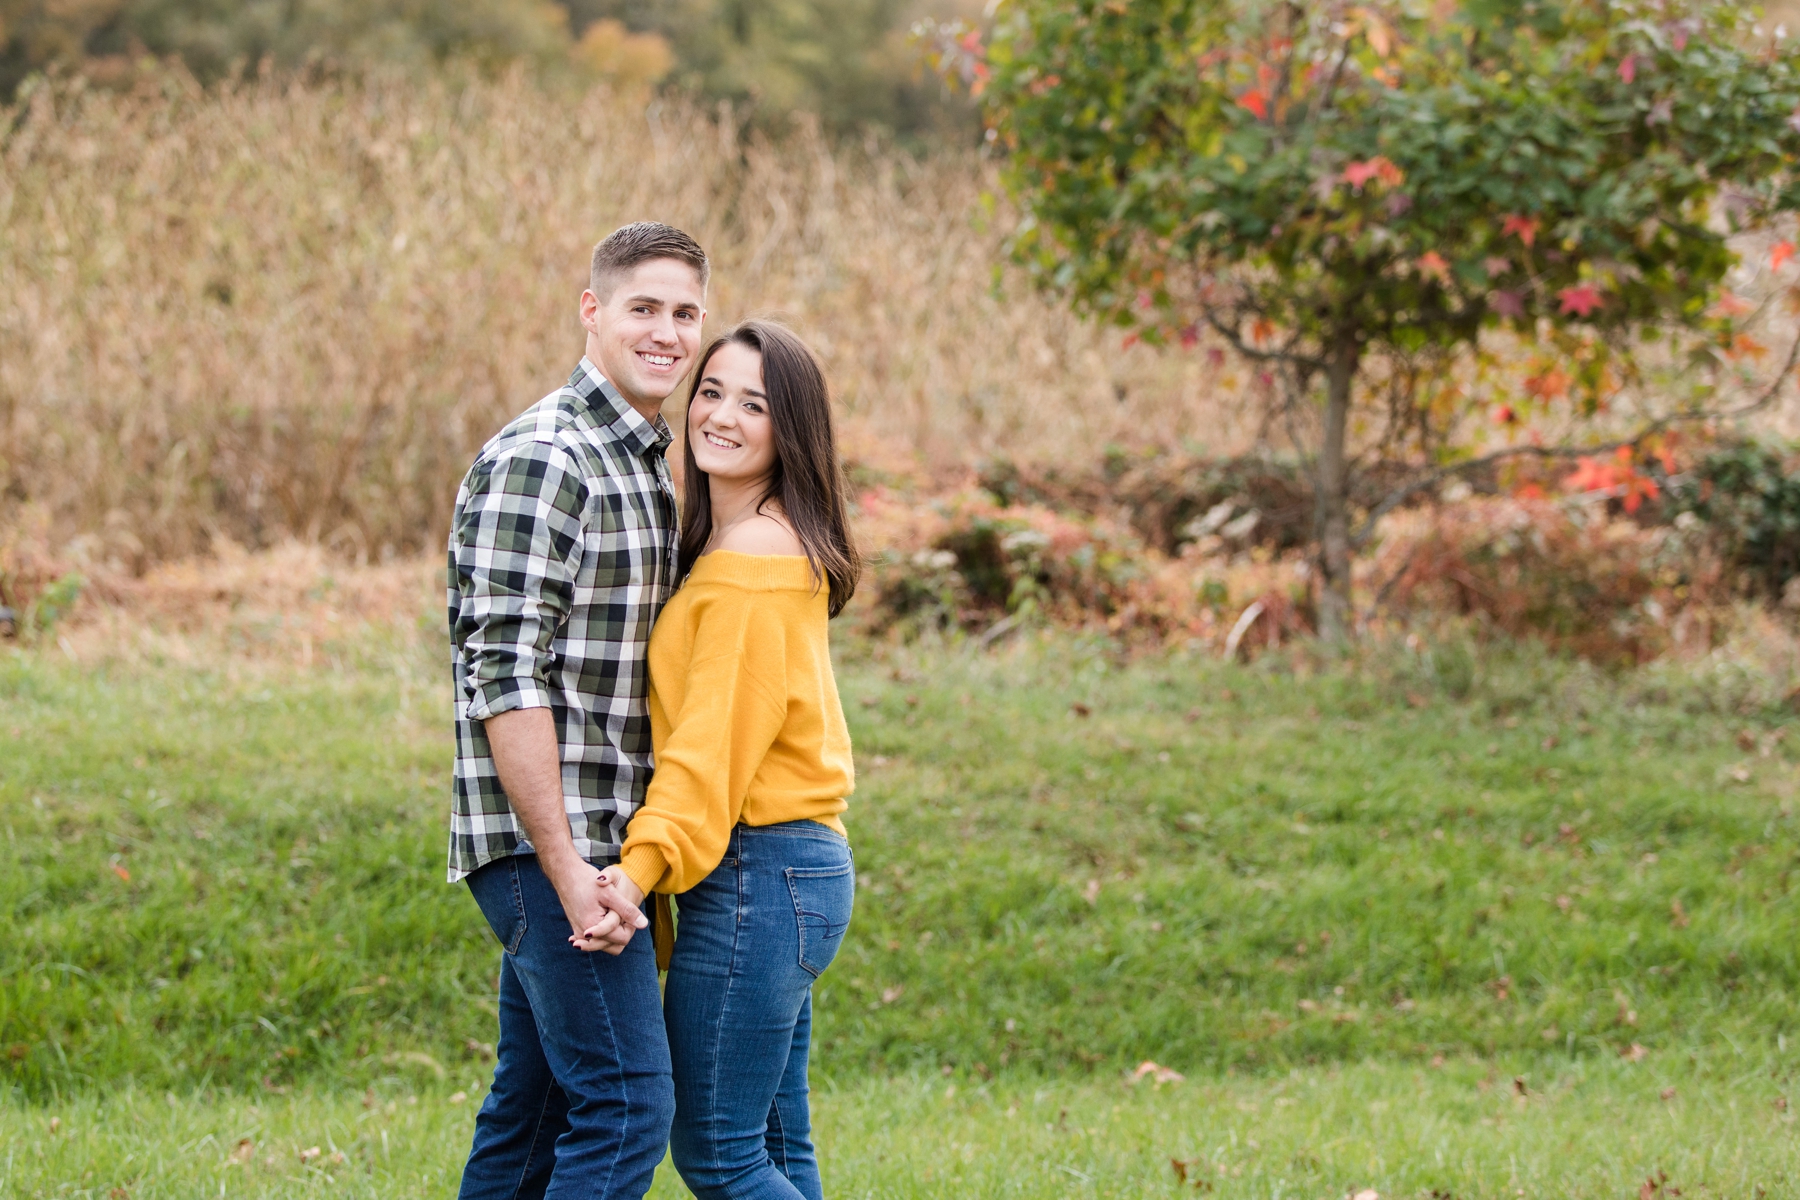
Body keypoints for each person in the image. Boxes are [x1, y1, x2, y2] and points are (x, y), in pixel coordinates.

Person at [446, 221, 707, 1200]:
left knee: (538, 1111)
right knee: (631, 1102)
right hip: (550, 849)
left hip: (603, 845)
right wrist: (565, 866)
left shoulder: (641, 461)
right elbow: (504, 675)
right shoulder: (547, 458)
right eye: (644, 307)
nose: (667, 333)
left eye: (686, 314)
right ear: (592, 310)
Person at [576, 320, 861, 1200]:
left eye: (755, 403)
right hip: (793, 871)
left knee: (721, 1156)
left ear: (793, 431)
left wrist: (637, 871)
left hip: (756, 872)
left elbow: (708, 759)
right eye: (711, 391)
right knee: (774, 1145)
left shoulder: (749, 566)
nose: (721, 416)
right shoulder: (767, 543)